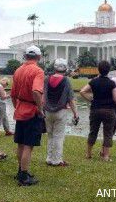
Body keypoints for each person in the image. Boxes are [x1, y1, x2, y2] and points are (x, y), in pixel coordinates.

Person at [11, 45, 45, 186]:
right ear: (38, 57)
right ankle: (24, 177)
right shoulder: (38, 71)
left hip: (20, 108)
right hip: (31, 110)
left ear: (25, 56)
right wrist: (40, 108)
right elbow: (36, 91)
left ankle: (20, 170)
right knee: (28, 145)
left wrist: (17, 106)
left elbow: (13, 94)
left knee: (20, 143)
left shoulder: (18, 70)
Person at [80, 60, 116, 161]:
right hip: (109, 110)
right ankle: (106, 156)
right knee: (108, 133)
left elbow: (82, 91)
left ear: (98, 69)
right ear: (108, 70)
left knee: (93, 131)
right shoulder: (112, 83)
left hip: (95, 109)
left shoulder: (94, 81)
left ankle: (88, 154)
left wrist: (91, 99)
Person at [44, 58, 78, 166]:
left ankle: (49, 158)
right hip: (61, 111)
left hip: (48, 111)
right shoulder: (66, 80)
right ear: (65, 68)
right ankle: (57, 160)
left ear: (55, 67)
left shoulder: (47, 79)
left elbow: (43, 95)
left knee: (50, 135)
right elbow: (71, 99)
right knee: (58, 136)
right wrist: (75, 113)